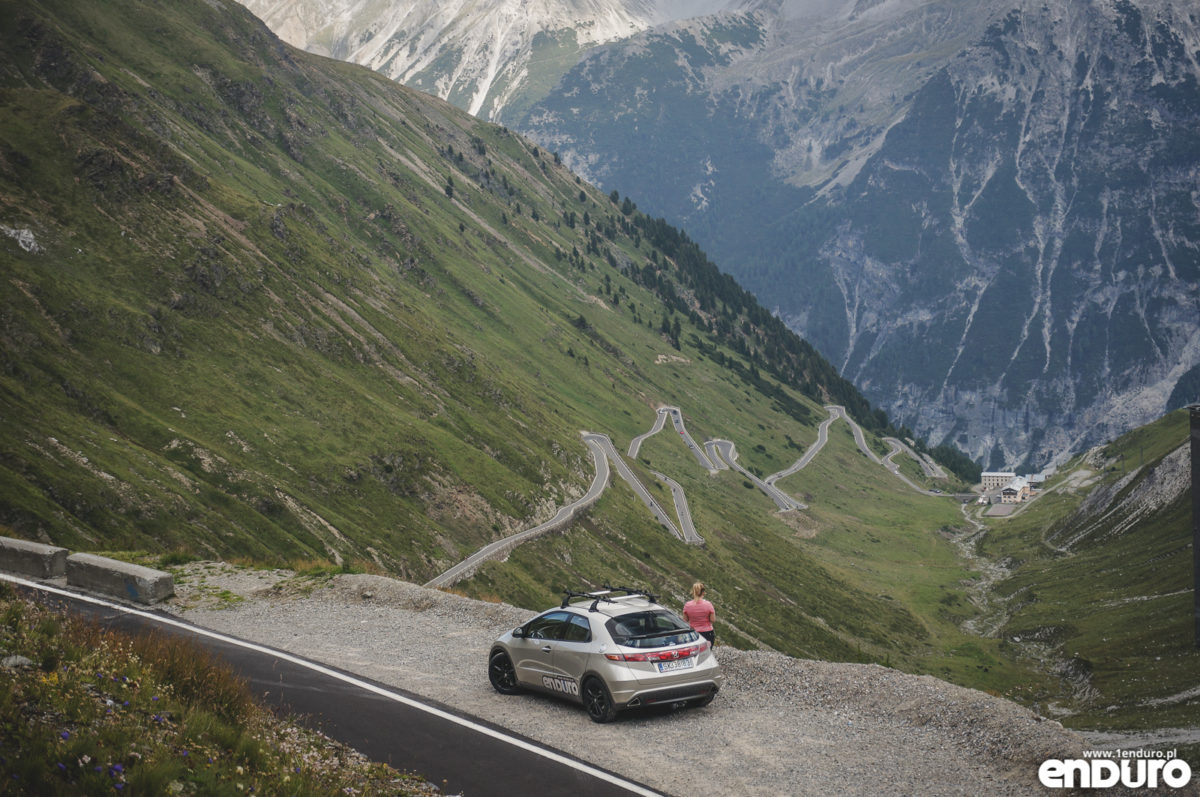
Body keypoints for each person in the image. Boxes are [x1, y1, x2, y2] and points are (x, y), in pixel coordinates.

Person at [682, 581, 715, 646]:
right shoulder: (708, 604)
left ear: (693, 592)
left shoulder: (687, 605)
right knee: (707, 653)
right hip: (707, 633)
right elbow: (712, 620)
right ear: (703, 592)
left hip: (693, 633)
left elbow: (685, 620)